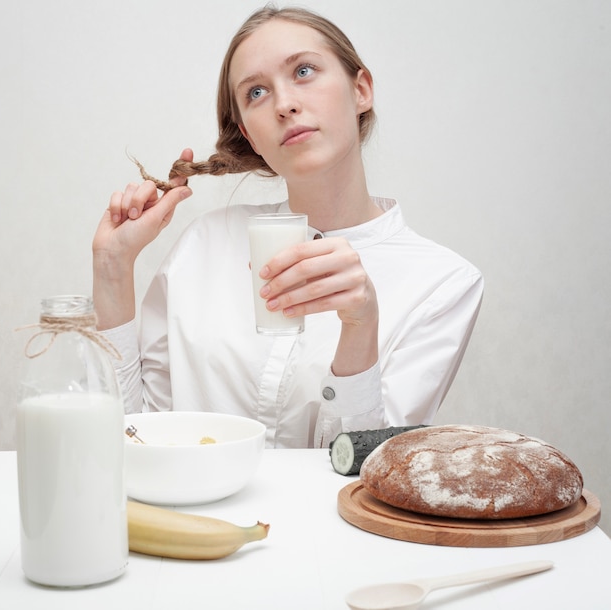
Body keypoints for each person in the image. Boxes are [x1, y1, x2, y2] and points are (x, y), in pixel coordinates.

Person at [92, 5, 483, 449]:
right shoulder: (204, 244)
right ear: (250, 135)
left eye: (303, 70)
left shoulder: (444, 283)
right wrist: (112, 267)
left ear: (361, 90)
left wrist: (361, 326)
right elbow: (134, 440)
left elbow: (363, 470)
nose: (284, 104)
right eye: (256, 92)